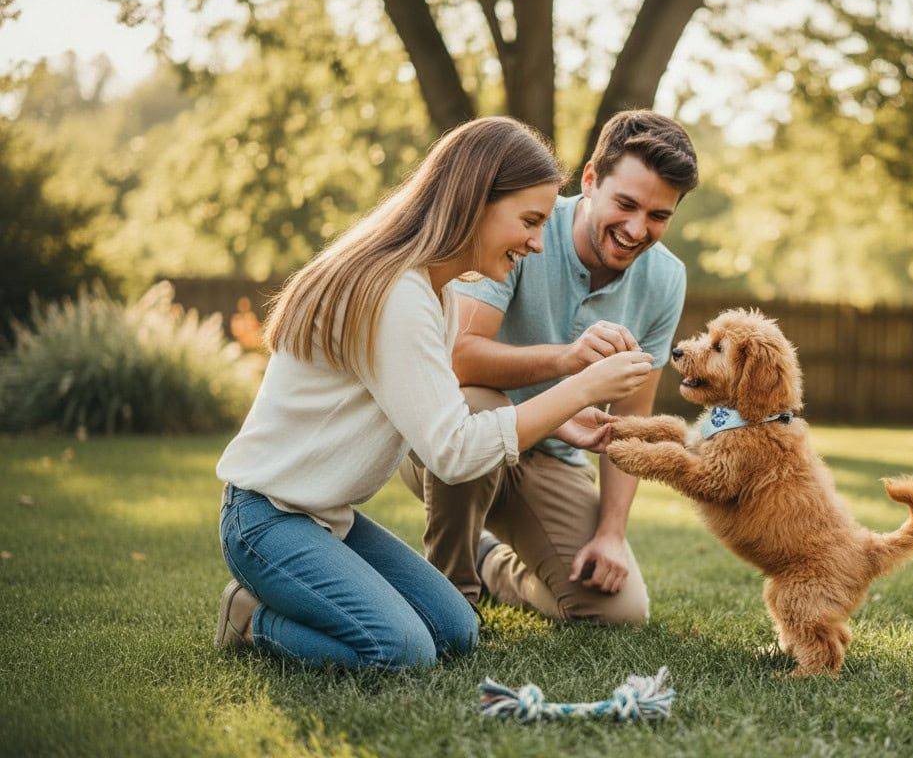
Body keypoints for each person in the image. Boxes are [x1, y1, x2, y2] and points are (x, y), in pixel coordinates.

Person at [212, 117, 655, 670]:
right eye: (530, 220)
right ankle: (254, 618)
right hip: (267, 520)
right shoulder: (396, 294)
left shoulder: (433, 294)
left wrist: (559, 418)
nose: (539, 243)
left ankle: (304, 599)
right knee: (400, 651)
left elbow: (438, 415)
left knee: (456, 631)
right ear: (475, 202)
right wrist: (577, 388)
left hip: (327, 520)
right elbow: (453, 452)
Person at [398, 109, 698, 625]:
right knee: (476, 406)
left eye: (657, 216)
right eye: (625, 204)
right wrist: (568, 360)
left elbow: (631, 420)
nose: (636, 229)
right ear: (589, 180)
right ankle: (451, 597)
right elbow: (458, 358)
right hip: (455, 436)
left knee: (616, 613)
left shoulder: (666, 279)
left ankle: (491, 563)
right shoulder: (525, 227)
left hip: (553, 458)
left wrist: (611, 534)